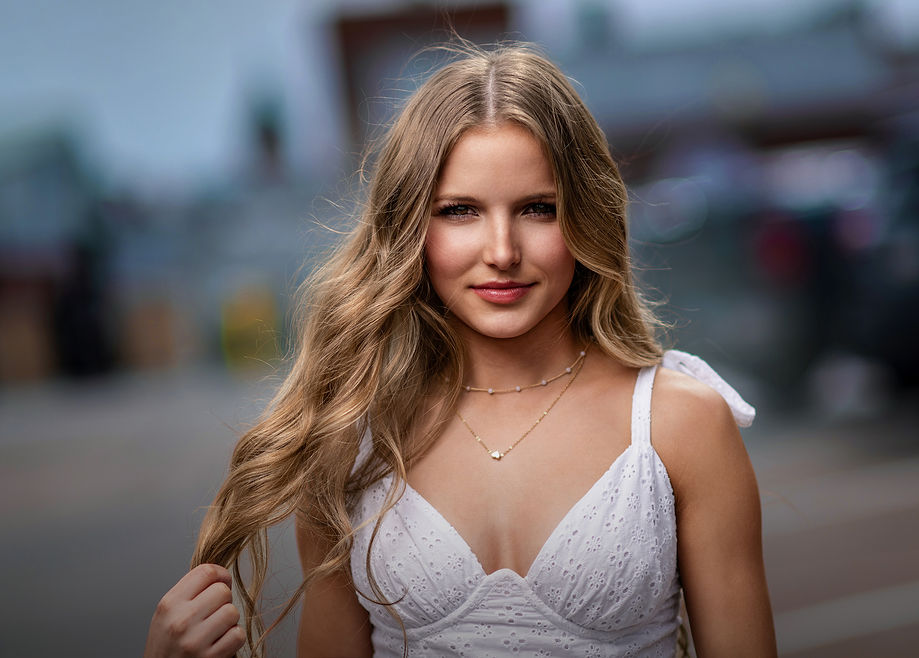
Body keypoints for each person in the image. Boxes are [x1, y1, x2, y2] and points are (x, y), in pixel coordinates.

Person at [144, 43, 776, 658]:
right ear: (410, 226)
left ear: (587, 218)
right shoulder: (349, 442)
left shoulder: (681, 423)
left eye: (536, 208)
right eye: (460, 211)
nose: (501, 251)